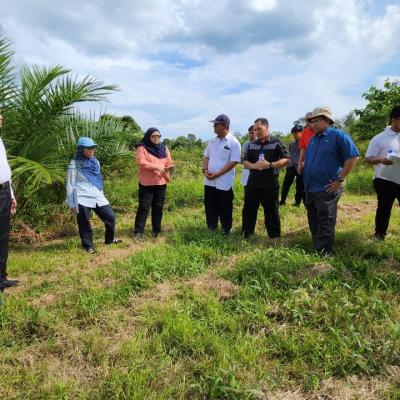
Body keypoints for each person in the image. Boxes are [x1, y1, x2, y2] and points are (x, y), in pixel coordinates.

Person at [303, 107, 359, 255]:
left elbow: (353, 158)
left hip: (328, 187)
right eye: (311, 122)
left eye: (316, 121)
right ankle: (317, 245)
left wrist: (340, 180)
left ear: (327, 120)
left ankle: (324, 253)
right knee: (313, 217)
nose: (312, 125)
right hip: (310, 186)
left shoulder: (338, 136)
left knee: (325, 219)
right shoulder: (313, 139)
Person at [66, 137, 121, 253]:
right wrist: (71, 203)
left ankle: (110, 240)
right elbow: (70, 184)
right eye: (88, 148)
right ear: (81, 149)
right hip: (81, 196)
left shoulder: (95, 162)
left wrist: (101, 193)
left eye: (93, 148)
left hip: (97, 195)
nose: (92, 150)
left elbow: (97, 179)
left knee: (110, 217)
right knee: (84, 222)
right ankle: (88, 246)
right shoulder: (74, 164)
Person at [242, 117, 290, 238]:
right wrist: (253, 166)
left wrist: (270, 164)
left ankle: (274, 237)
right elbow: (245, 162)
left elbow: (287, 159)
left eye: (259, 129)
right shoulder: (251, 144)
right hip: (253, 182)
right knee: (249, 209)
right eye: (255, 129)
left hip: (270, 183)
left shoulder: (276, 142)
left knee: (271, 210)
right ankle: (247, 234)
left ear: (267, 128)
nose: (256, 132)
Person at [365, 105, 400, 241]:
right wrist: (381, 160)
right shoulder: (379, 138)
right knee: (384, 208)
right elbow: (368, 158)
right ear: (394, 119)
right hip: (384, 179)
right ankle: (379, 236)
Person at [203, 114, 241, 234]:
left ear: (224, 126)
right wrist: (204, 170)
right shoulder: (212, 141)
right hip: (210, 180)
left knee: (225, 206)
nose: (213, 126)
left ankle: (226, 229)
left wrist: (218, 174)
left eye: (216, 124)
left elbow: (234, 161)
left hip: (224, 181)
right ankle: (211, 227)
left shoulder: (233, 142)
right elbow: (206, 156)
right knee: (210, 205)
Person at [133, 127, 174, 239]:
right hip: (147, 183)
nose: (156, 138)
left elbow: (169, 160)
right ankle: (138, 232)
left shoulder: (164, 147)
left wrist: (169, 166)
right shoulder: (142, 147)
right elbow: (141, 162)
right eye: (153, 136)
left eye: (158, 136)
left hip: (161, 182)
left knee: (158, 207)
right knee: (144, 207)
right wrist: (157, 167)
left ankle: (156, 231)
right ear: (148, 136)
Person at [0, 112, 19, 291]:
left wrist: (11, 194)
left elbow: (5, 171)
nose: (1, 119)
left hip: (4, 192)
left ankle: (1, 278)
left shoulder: (0, 141)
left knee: (3, 237)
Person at [280, 124, 304, 206]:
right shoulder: (291, 144)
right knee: (286, 184)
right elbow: (288, 155)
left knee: (300, 186)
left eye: (296, 134)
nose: (294, 136)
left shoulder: (306, 143)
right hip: (291, 167)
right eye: (293, 134)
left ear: (301, 132)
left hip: (301, 167)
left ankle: (297, 202)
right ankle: (282, 201)